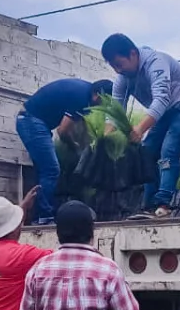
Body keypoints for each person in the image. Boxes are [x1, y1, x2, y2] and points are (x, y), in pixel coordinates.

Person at [101, 34, 180, 218]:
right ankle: (149, 206)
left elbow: (161, 99)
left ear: (133, 54)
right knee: (147, 152)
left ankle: (163, 204)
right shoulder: (123, 79)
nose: (118, 70)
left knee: (169, 149)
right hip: (167, 114)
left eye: (119, 64)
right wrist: (105, 139)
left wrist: (140, 128)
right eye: (114, 66)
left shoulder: (156, 63)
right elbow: (115, 110)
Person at [16, 78, 113, 224]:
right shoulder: (81, 98)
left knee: (43, 171)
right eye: (103, 102)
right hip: (31, 122)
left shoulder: (85, 90)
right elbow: (62, 131)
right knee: (51, 169)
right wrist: (74, 146)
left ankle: (37, 216)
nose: (100, 106)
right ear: (98, 95)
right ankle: (45, 218)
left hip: (33, 120)